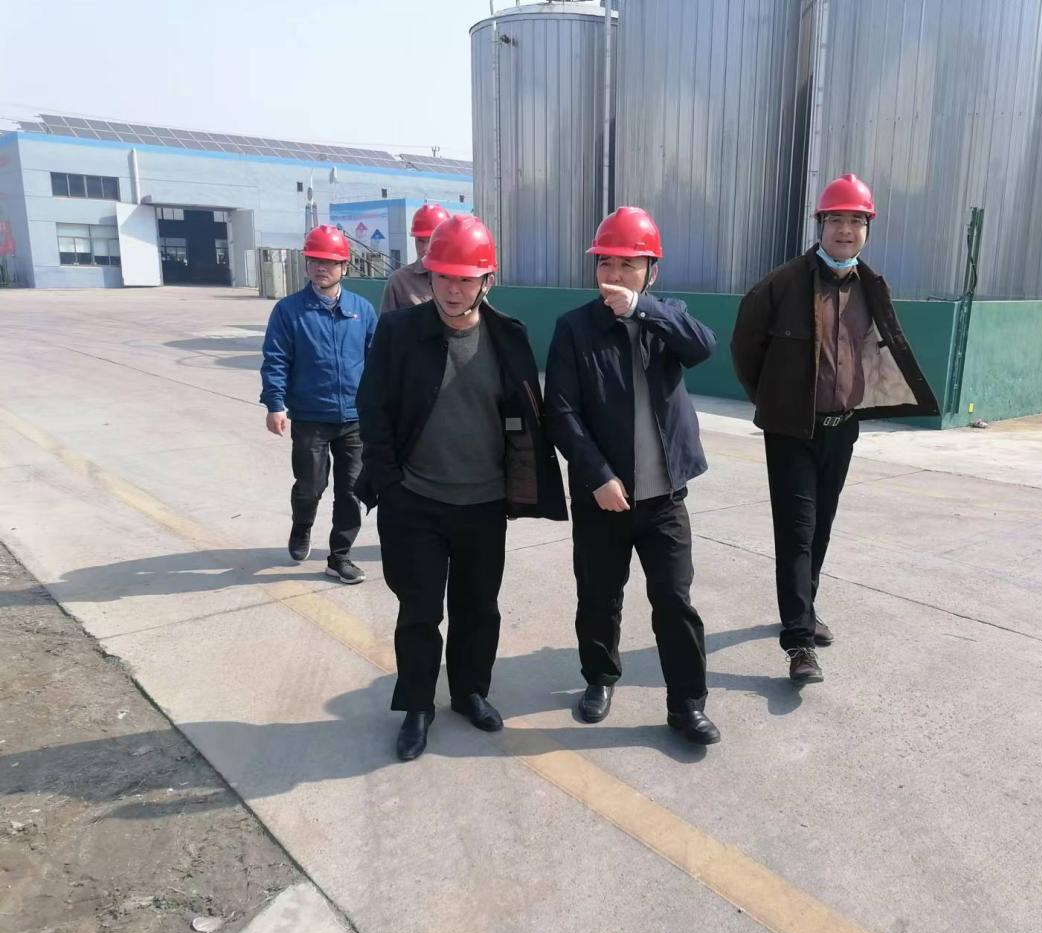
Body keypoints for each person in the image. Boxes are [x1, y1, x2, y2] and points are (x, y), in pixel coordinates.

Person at [355, 213, 567, 761]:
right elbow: (372, 410)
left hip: (484, 504)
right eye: (443, 277)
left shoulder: (508, 336)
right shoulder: (400, 333)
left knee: (479, 607)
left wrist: (525, 485)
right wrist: (390, 485)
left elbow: (529, 415)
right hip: (415, 503)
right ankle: (417, 706)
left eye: (465, 279)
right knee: (420, 611)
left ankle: (470, 692)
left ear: (487, 280)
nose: (452, 289)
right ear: (429, 275)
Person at [731, 173, 939, 685]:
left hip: (842, 428)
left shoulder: (871, 286)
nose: (845, 230)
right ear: (820, 224)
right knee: (797, 533)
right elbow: (745, 350)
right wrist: (776, 403)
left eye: (856, 221)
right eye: (836, 220)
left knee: (821, 526)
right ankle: (799, 642)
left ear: (867, 228)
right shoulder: (781, 284)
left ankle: (806, 608)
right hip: (792, 432)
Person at [545, 206, 721, 746]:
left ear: (651, 272)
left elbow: (704, 346)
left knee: (674, 601)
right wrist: (597, 475)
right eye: (606, 264)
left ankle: (687, 704)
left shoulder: (668, 318)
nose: (615, 275)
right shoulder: (575, 328)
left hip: (664, 497)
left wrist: (644, 310)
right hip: (603, 497)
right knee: (599, 596)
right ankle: (599, 678)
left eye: (628, 265)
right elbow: (562, 411)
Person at [260, 224, 377, 584]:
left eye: (329, 261)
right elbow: (275, 359)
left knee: (352, 491)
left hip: (354, 418)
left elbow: (377, 362)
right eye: (314, 261)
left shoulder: (362, 310)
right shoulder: (289, 311)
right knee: (310, 485)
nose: (321, 267)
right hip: (311, 417)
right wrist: (275, 404)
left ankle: (339, 556)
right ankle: (302, 526)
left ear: (344, 266)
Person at [379, 203, 451, 312]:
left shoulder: (463, 279)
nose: (425, 248)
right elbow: (386, 322)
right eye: (420, 241)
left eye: (431, 240)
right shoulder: (399, 282)